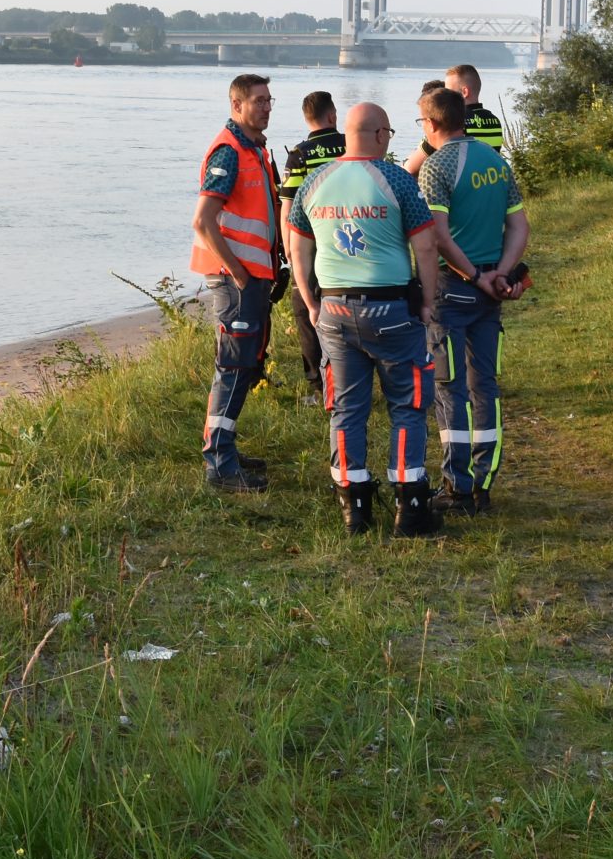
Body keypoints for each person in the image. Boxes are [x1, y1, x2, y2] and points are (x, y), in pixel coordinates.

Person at [285, 101, 449, 537]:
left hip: (335, 311)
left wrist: (310, 300)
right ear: (380, 135)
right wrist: (428, 301)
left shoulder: (315, 182)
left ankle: (353, 507)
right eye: (390, 134)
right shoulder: (395, 179)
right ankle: (409, 505)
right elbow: (427, 246)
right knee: (408, 406)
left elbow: (295, 246)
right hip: (392, 308)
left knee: (346, 408)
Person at [415, 85, 528, 515]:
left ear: (431, 124)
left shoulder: (435, 166)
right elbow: (520, 227)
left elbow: (438, 237)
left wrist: (477, 276)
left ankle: (457, 486)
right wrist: (502, 272)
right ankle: (485, 480)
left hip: (453, 288)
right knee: (487, 387)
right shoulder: (495, 160)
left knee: (449, 388)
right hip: (490, 290)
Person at [191, 73, 280, 493]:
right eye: (258, 100)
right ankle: (220, 466)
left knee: (245, 367)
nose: (265, 107)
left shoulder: (254, 150)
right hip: (235, 281)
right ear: (236, 105)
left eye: (268, 100)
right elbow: (204, 221)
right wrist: (240, 273)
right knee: (231, 368)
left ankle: (225, 448)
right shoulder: (229, 152)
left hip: (253, 278)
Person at [277, 90, 349, 395]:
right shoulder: (350, 145)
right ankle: (348, 373)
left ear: (308, 118)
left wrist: (291, 254)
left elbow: (288, 208)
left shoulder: (299, 154)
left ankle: (316, 384)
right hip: (350, 239)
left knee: (307, 311)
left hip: (310, 243)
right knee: (348, 304)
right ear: (332, 115)